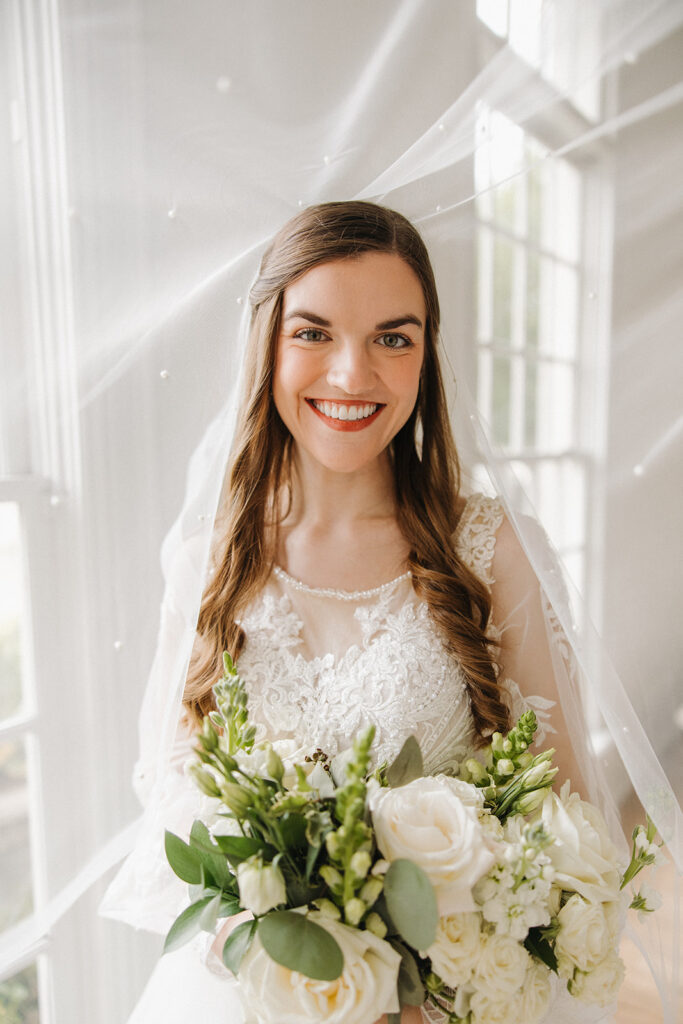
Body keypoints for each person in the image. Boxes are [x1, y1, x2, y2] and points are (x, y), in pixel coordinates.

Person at [111, 202, 624, 1023]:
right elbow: (178, 793)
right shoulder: (208, 561)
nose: (352, 376)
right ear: (267, 347)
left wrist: (444, 966)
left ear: (426, 356)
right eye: (313, 333)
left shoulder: (490, 548)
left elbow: (561, 811)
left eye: (393, 337)